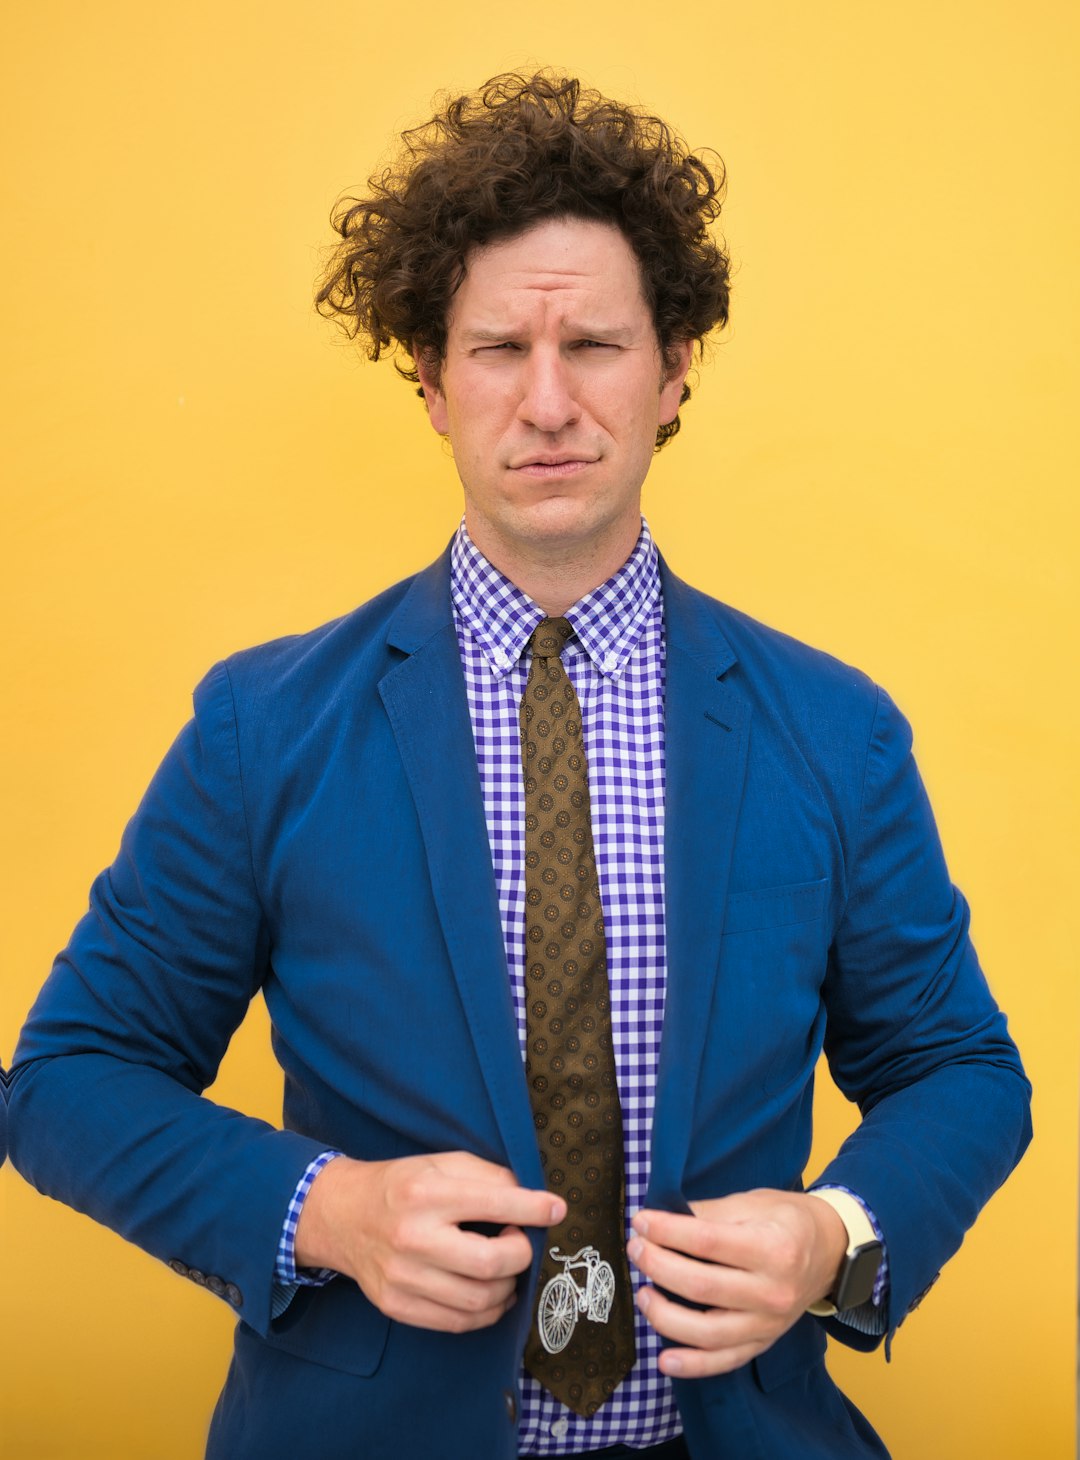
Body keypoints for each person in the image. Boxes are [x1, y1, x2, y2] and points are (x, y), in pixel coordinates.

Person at [7, 71, 1030, 1460]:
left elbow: (960, 1067)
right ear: (430, 381)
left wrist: (834, 1235)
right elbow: (69, 1075)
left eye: (596, 344)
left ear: (674, 373)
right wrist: (329, 1211)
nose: (547, 403)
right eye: (497, 349)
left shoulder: (834, 731)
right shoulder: (263, 728)